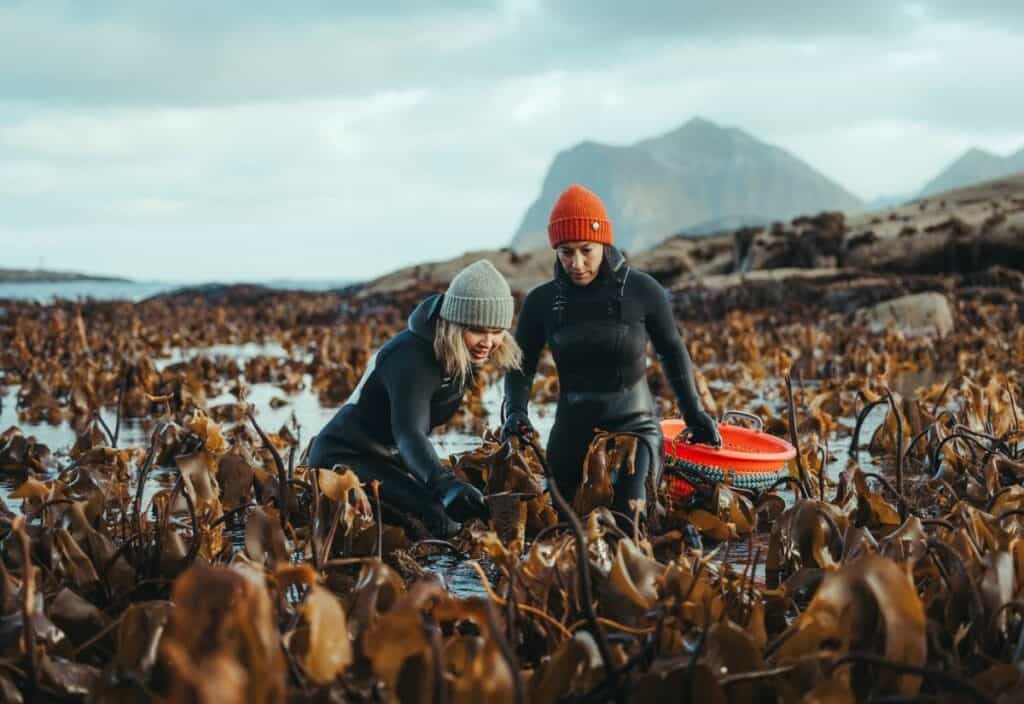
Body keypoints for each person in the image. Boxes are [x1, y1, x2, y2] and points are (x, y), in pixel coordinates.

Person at [501, 184, 721, 519]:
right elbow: (521, 365)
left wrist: (694, 414)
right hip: (570, 433)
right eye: (565, 252)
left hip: (635, 429)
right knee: (564, 525)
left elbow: (672, 352)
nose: (577, 263)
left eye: (586, 250)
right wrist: (516, 411)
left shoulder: (643, 290)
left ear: (603, 242)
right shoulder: (540, 302)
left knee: (629, 521)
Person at [308, 260, 522, 537]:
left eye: (496, 331)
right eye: (478, 330)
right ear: (453, 323)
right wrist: (443, 483)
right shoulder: (413, 357)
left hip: (389, 458)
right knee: (443, 521)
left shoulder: (460, 354)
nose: (488, 342)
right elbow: (409, 432)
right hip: (343, 457)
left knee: (473, 506)